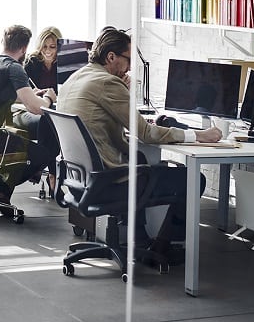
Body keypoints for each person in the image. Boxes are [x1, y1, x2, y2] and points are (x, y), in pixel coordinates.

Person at [56, 28, 222, 258]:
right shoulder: (107, 83)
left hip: (81, 179)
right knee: (193, 180)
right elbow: (147, 134)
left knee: (140, 158)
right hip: (108, 182)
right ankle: (162, 245)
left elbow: (107, 125)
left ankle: (140, 236)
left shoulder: (76, 77)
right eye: (128, 59)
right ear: (111, 57)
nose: (131, 67)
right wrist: (198, 135)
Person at [0, 25, 59, 204]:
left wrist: (30, 95)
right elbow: (36, 109)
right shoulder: (14, 67)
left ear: (3, 42)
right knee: (44, 152)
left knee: (28, 140)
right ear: (24, 48)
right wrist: (48, 97)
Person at [23, 26, 63, 93]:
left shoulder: (64, 63)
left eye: (52, 47)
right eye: (44, 46)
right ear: (39, 46)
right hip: (37, 101)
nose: (48, 51)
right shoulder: (30, 62)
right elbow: (24, 90)